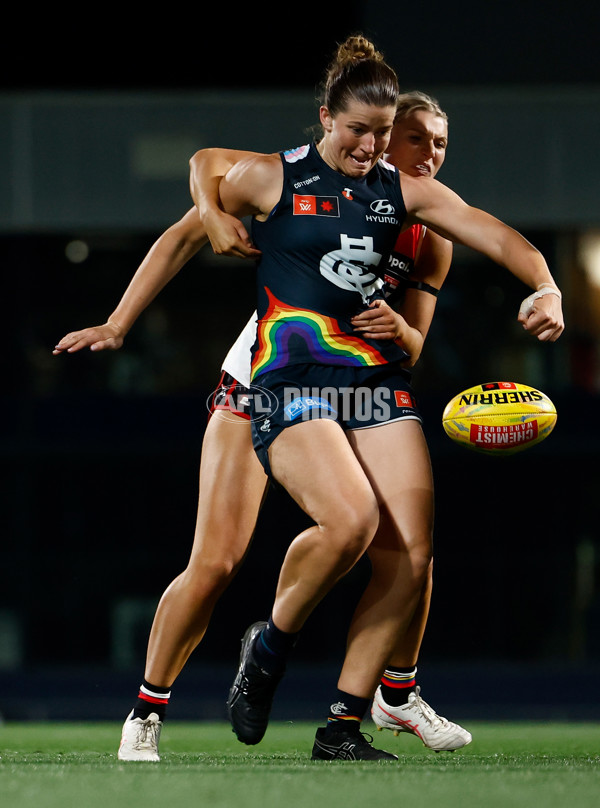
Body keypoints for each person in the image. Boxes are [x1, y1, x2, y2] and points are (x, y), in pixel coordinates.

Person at [53, 42, 561, 760]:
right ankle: (149, 708)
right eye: (377, 132)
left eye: (397, 136)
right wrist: (121, 318)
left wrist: (545, 286)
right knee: (222, 561)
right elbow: (200, 175)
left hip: (365, 388)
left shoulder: (418, 215)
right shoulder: (281, 178)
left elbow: (494, 245)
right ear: (328, 117)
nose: (391, 149)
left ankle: (361, 713)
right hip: (264, 382)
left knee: (411, 554)